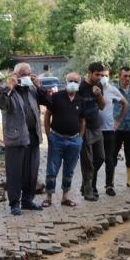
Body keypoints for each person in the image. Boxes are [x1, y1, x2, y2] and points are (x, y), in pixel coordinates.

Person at [0, 62, 51, 215]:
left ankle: (28, 200)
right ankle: (14, 203)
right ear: (16, 75)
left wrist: (39, 86)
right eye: (23, 75)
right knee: (15, 171)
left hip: (32, 135)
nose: (26, 77)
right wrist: (9, 86)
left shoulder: (32, 89)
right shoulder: (8, 91)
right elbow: (0, 103)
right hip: (16, 137)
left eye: (28, 74)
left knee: (31, 170)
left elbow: (49, 102)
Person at [43, 72, 86, 208]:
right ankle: (48, 196)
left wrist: (80, 138)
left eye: (76, 81)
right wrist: (48, 135)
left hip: (74, 141)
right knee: (52, 169)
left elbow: (83, 121)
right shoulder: (56, 96)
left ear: (79, 83)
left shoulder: (81, 100)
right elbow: (47, 115)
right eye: (70, 80)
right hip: (57, 138)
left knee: (69, 170)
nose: (73, 83)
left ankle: (65, 196)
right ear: (66, 81)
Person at [92, 68, 128, 196]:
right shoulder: (92, 89)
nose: (103, 78)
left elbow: (125, 103)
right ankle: (92, 186)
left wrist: (118, 121)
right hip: (95, 129)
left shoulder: (112, 89)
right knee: (95, 159)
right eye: (100, 75)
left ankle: (109, 185)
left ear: (109, 76)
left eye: (105, 75)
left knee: (110, 158)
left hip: (109, 129)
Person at [78, 62, 108, 201]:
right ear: (89, 72)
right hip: (85, 128)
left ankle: (86, 184)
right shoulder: (81, 87)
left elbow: (102, 106)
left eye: (101, 75)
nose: (99, 77)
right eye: (97, 74)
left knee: (101, 157)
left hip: (97, 127)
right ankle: (88, 190)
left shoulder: (99, 86)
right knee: (87, 162)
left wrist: (99, 95)